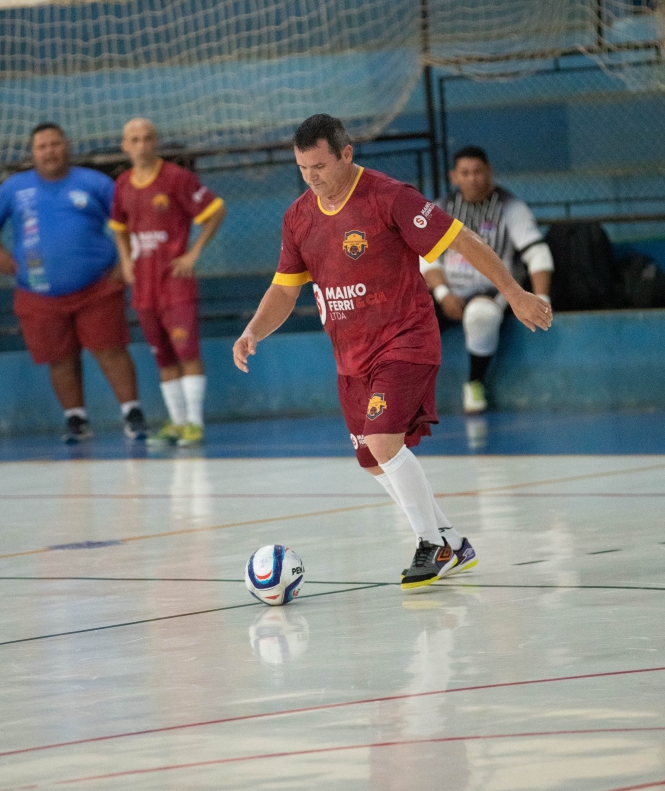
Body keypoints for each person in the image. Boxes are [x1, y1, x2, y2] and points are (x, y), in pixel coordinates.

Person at [232, 114, 552, 591]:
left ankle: (431, 545)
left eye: (320, 166)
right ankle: (452, 542)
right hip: (350, 355)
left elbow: (462, 239)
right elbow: (284, 289)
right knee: (372, 460)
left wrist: (514, 292)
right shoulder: (298, 217)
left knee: (384, 443)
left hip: (405, 340)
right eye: (303, 168)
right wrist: (254, 330)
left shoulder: (390, 197)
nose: (312, 177)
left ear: (346, 154)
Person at [0, 123, 147, 443]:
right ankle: (75, 419)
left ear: (67, 145)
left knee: (111, 350)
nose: (49, 151)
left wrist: (124, 263)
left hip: (98, 288)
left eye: (55, 144)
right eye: (42, 147)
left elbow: (132, 219)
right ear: (32, 153)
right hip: (37, 293)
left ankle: (132, 413)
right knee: (59, 359)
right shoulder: (13, 188)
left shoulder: (95, 183)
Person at [110, 118, 225, 447]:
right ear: (125, 146)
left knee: (186, 350)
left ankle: (194, 424)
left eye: (147, 137)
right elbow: (119, 227)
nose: (142, 144)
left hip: (175, 282)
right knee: (163, 357)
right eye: (135, 139)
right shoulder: (123, 184)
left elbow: (216, 210)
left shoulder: (177, 178)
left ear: (156, 141)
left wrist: (193, 254)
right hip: (144, 286)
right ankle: (176, 423)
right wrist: (126, 261)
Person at [422, 145, 554, 414]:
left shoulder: (511, 207)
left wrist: (541, 298)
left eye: (478, 172)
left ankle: (475, 383)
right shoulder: (440, 208)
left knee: (481, 316)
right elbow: (427, 258)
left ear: (489, 172)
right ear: (454, 177)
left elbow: (537, 253)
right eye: (465, 173)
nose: (472, 178)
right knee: (405, 321)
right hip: (449, 291)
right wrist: (443, 294)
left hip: (492, 290)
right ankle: (407, 393)